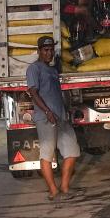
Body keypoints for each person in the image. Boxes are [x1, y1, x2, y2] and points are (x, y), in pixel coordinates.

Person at [26, 36, 82, 201]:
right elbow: (33, 93)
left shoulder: (52, 70)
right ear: (39, 51)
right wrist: (47, 111)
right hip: (45, 118)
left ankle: (64, 187)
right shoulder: (34, 68)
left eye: (51, 50)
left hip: (60, 118)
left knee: (72, 151)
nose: (49, 53)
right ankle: (53, 191)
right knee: (47, 155)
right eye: (45, 50)